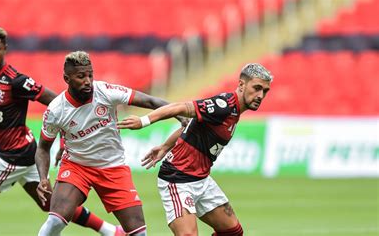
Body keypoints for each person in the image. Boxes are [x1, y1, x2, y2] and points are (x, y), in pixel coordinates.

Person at [0, 26, 123, 236]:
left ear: (5, 50)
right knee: (52, 205)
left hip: (14, 157)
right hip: (27, 152)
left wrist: (66, 140)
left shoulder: (16, 81)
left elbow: (58, 103)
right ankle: (112, 232)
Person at [35, 51, 185, 236]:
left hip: (113, 167)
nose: (88, 81)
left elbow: (149, 100)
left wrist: (180, 115)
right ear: (67, 78)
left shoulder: (105, 91)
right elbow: (42, 148)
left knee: (139, 233)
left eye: (90, 74)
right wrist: (43, 178)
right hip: (77, 167)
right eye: (81, 76)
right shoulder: (56, 110)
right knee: (55, 222)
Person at [117, 63, 273, 236]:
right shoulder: (223, 106)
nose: (260, 95)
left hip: (201, 180)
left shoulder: (234, 111)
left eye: (265, 91)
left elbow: (194, 124)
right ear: (242, 85)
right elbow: (181, 107)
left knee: (232, 232)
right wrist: (144, 121)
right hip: (178, 179)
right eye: (257, 88)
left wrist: (165, 146)